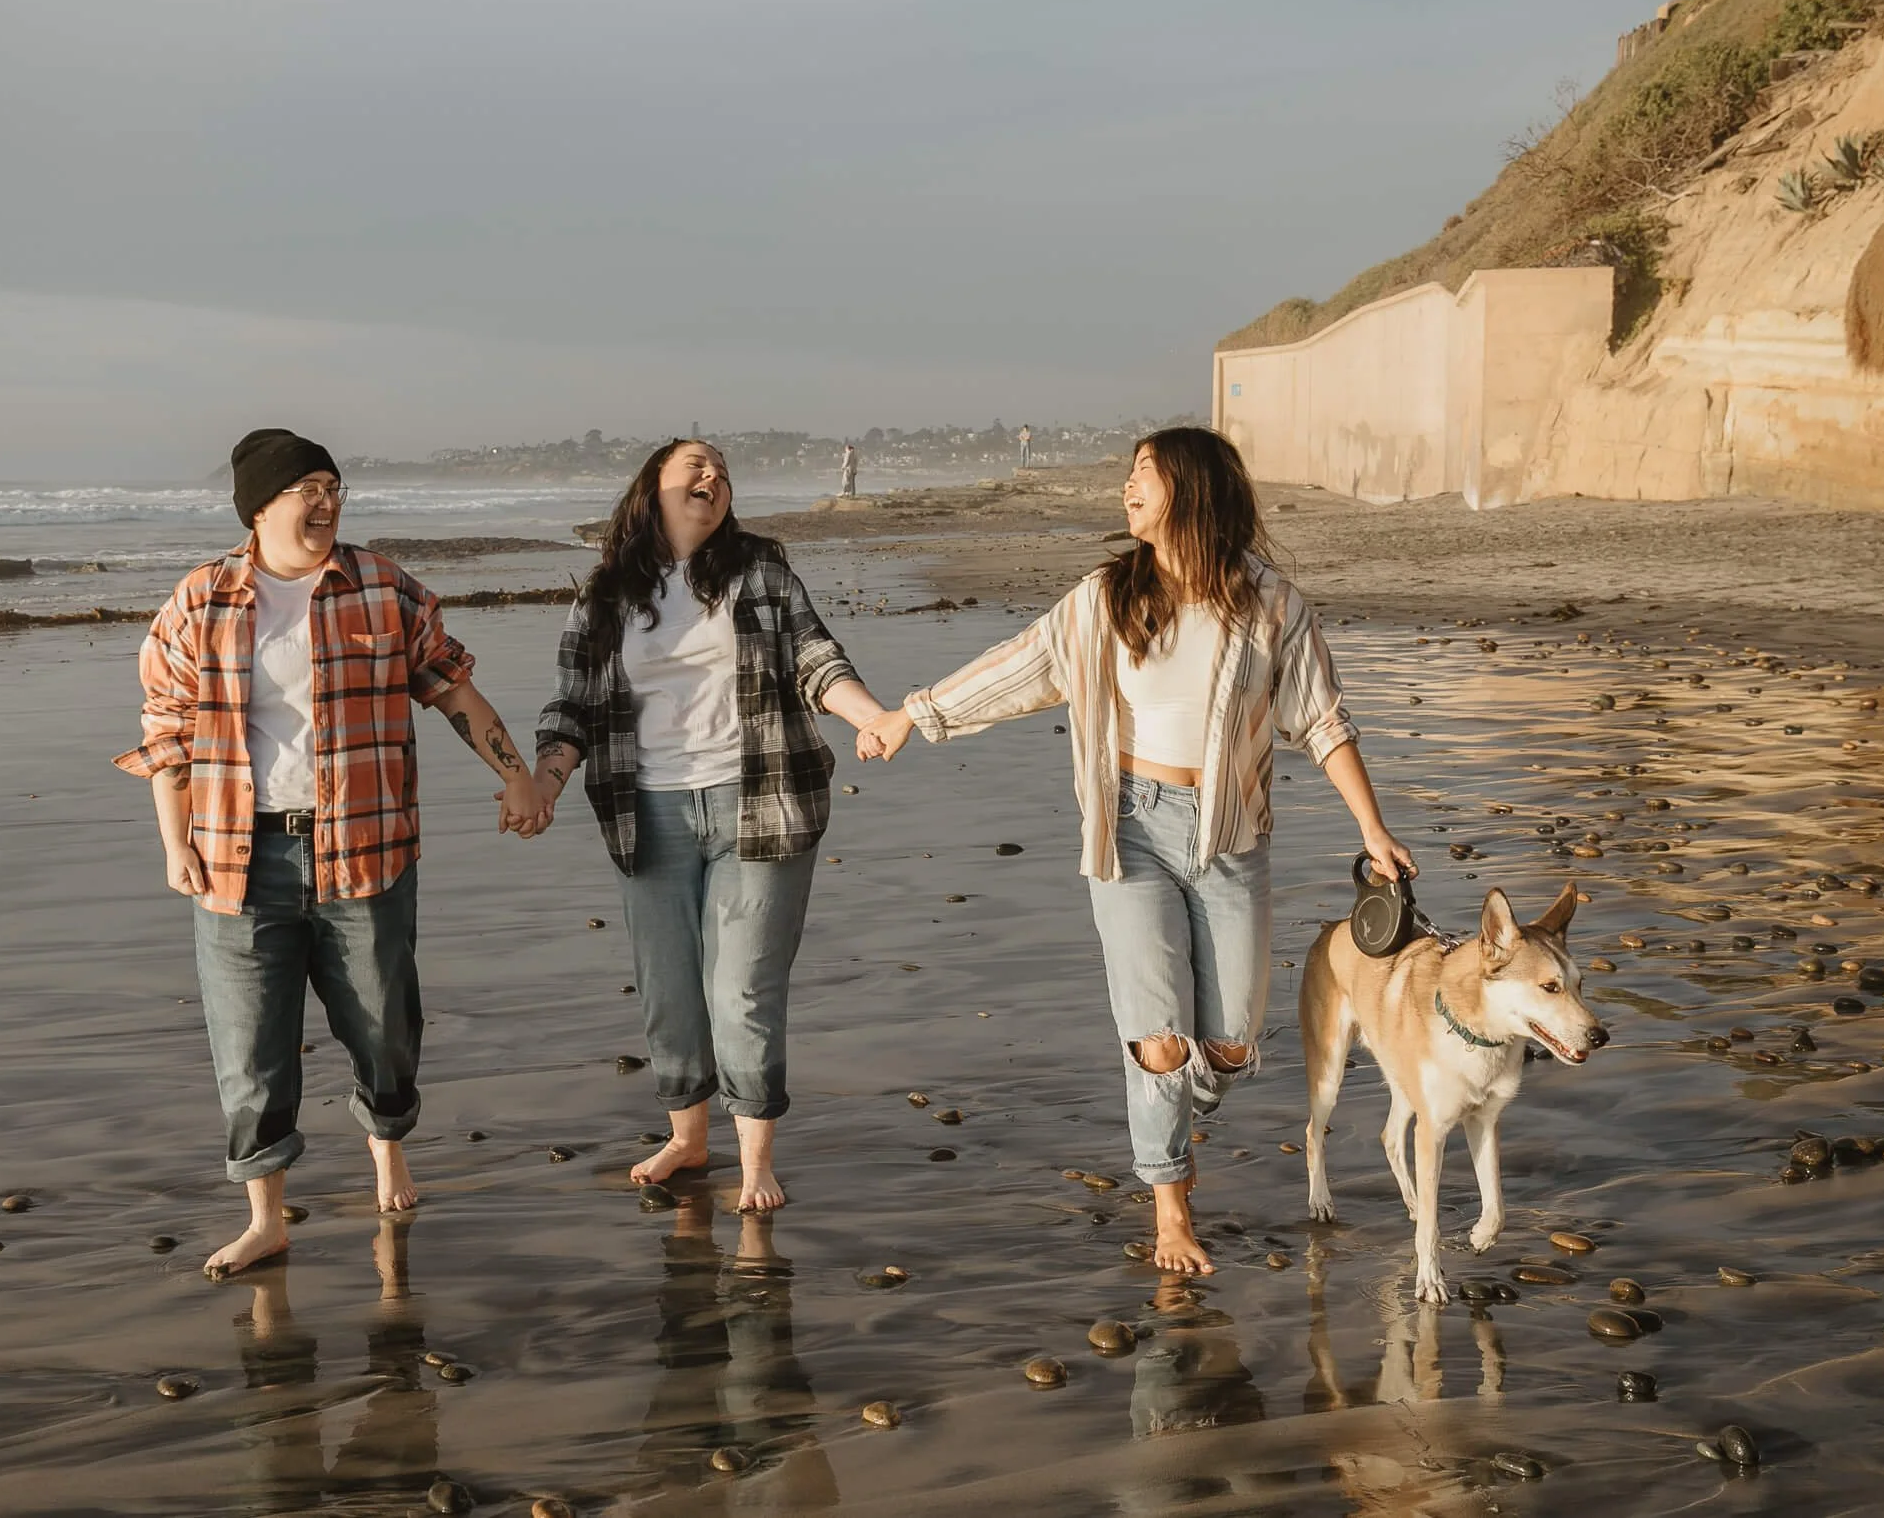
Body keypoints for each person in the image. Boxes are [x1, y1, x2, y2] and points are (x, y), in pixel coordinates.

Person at [860, 426, 1415, 1276]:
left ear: (1191, 492)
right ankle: (1170, 1202)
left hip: (1230, 833)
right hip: (1129, 827)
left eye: (1144, 476)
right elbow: (1020, 666)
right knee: (1159, 1037)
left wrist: (1372, 829)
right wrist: (914, 714)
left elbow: (1324, 722)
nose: (1127, 490)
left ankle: (1167, 1096)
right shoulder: (1105, 598)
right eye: (1128, 475)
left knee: (1227, 1042)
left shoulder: (1272, 606)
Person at [116, 428, 548, 1279]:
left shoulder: (381, 585)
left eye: (333, 484)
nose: (326, 501)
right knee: (249, 1046)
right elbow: (165, 735)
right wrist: (174, 846)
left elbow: (450, 682)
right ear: (261, 503)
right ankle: (266, 1217)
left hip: (366, 849)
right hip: (240, 857)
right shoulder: (201, 600)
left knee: (386, 1026)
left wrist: (517, 775)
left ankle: (387, 1146)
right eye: (307, 486)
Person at [532, 440, 890, 1211]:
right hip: (648, 811)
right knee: (668, 989)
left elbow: (816, 656)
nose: (712, 477)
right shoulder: (605, 594)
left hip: (759, 799)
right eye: (696, 465)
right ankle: (688, 1137)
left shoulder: (759, 570)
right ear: (651, 488)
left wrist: (870, 716)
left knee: (742, 990)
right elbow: (573, 706)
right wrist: (544, 783)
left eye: (722, 471)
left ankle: (755, 1154)